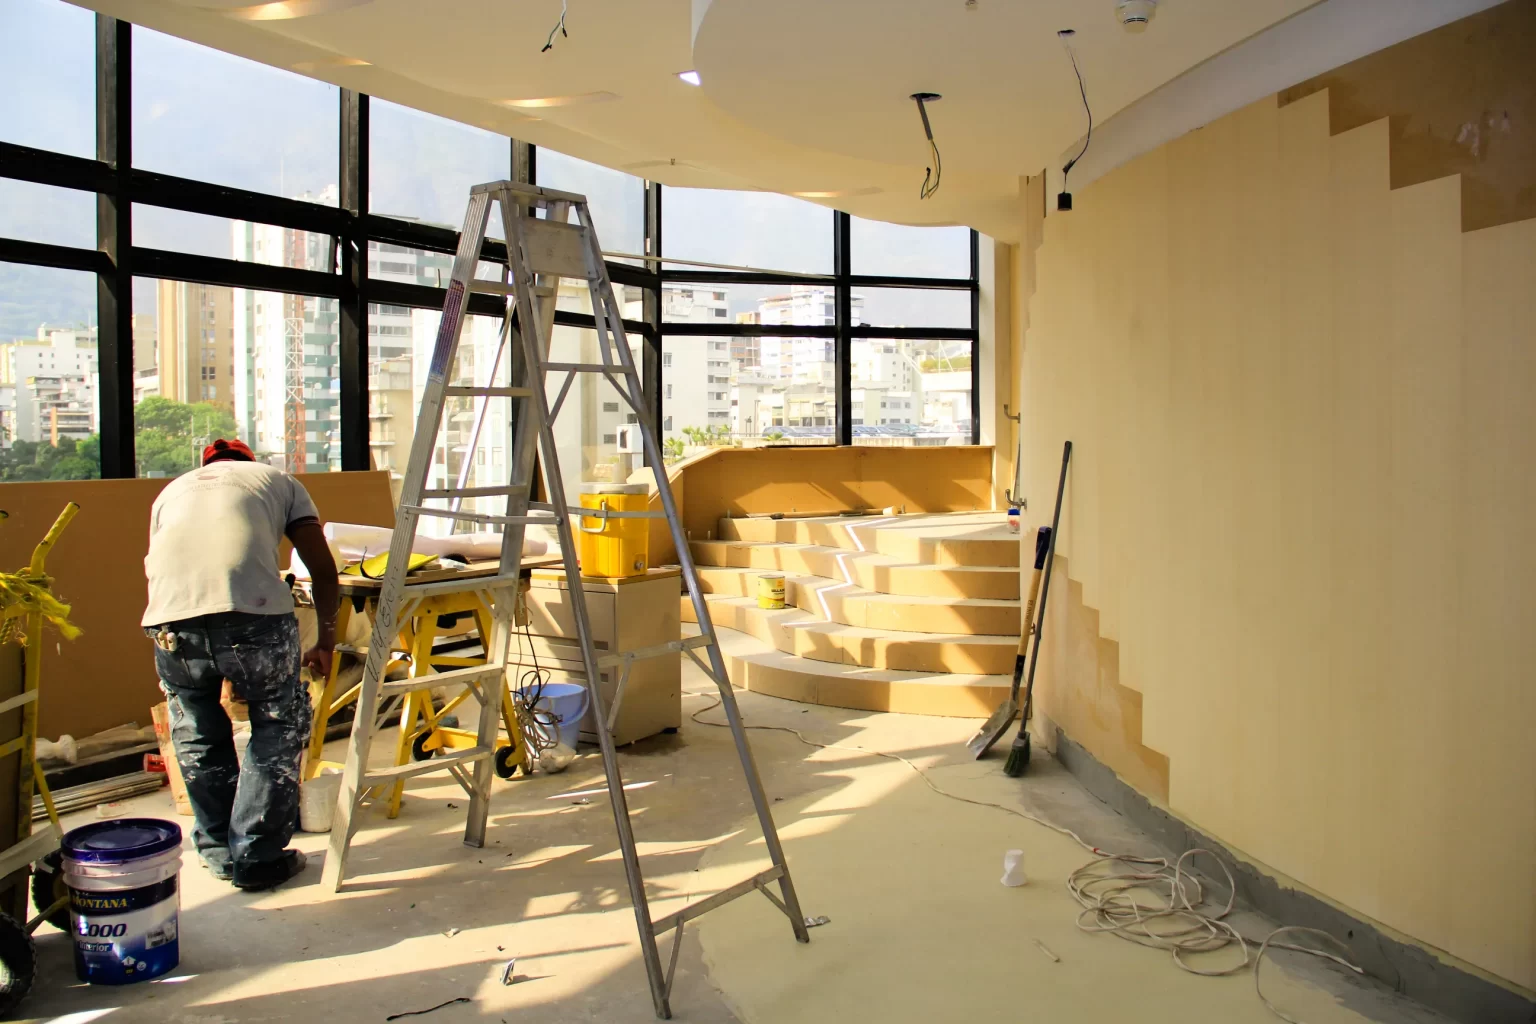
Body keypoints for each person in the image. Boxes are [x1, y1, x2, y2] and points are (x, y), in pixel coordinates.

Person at [142, 438, 338, 891]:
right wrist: (326, 639)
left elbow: (163, 566)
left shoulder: (171, 491)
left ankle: (217, 851)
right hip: (253, 617)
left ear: (206, 466)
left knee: (196, 732)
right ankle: (256, 856)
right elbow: (323, 570)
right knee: (278, 722)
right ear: (248, 462)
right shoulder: (278, 480)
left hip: (171, 622)